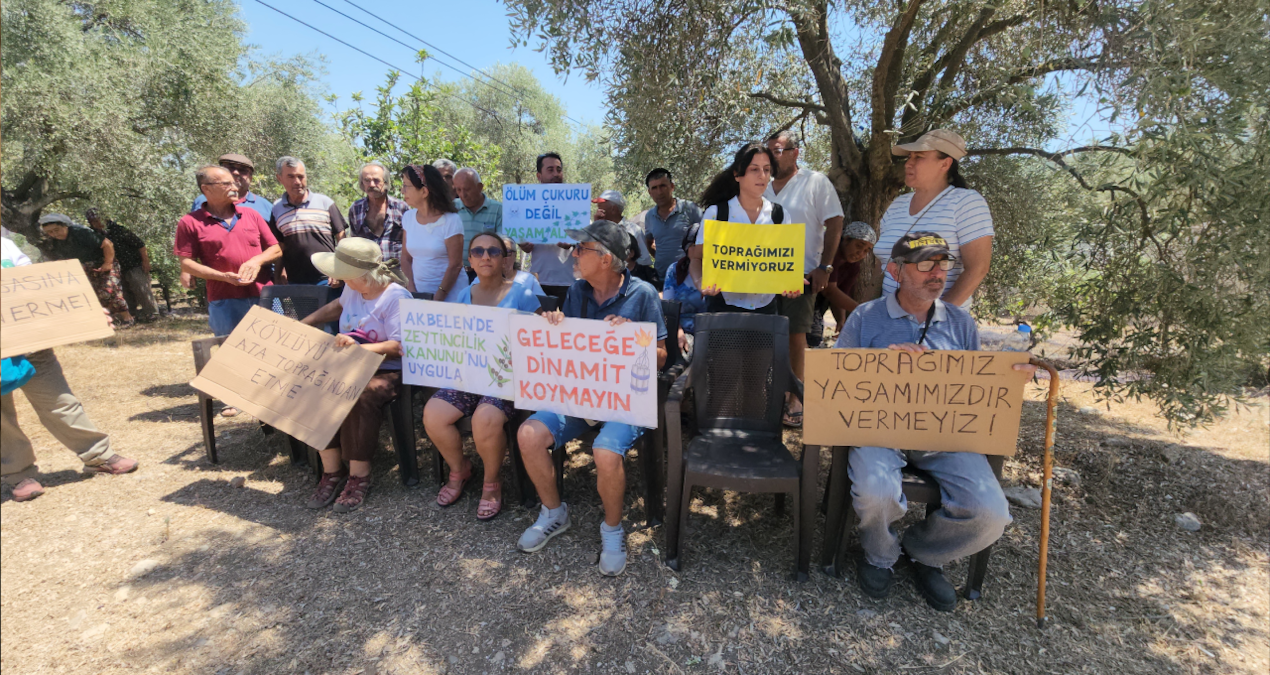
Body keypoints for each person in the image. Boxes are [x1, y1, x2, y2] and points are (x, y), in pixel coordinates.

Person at [835, 231, 1033, 611]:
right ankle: (880, 555)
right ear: (895, 270)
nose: (937, 273)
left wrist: (1008, 378)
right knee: (875, 492)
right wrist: (882, 369)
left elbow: (976, 386)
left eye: (944, 264)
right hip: (879, 430)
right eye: (925, 263)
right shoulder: (865, 317)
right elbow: (839, 383)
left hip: (944, 435)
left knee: (992, 514)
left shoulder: (961, 322)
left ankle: (924, 552)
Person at [515, 220, 667, 576]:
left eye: (581, 249)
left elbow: (661, 355)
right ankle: (554, 513)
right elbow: (570, 349)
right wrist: (554, 325)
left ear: (605, 258)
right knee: (528, 434)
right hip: (581, 396)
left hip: (625, 400)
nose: (573, 255)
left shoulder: (643, 294)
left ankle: (612, 530)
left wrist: (635, 338)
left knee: (604, 450)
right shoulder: (577, 292)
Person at [2, 234, 138, 502]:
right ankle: (17, 474)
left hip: (31, 342)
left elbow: (39, 289)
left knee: (60, 400)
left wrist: (83, 313)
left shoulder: (4, 244)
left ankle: (98, 456)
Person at [423, 233, 541, 520]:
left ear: (504, 259)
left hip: (506, 379)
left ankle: (491, 483)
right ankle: (459, 469)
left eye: (493, 251)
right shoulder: (466, 295)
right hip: (470, 376)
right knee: (433, 414)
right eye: (478, 251)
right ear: (470, 260)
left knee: (484, 418)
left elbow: (538, 340)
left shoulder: (522, 294)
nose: (485, 256)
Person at [300, 238, 413, 512]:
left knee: (360, 394)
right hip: (347, 363)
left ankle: (358, 475)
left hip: (387, 369)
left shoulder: (396, 297)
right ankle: (332, 470)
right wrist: (307, 322)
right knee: (312, 385)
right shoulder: (353, 289)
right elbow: (338, 306)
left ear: (362, 275)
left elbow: (400, 346)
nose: (339, 278)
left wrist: (360, 347)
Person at [764, 130, 845, 427]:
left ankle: (796, 398)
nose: (774, 155)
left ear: (796, 152)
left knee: (796, 337)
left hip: (800, 275)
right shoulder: (761, 185)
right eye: (770, 150)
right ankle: (771, 397)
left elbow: (835, 221)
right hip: (760, 276)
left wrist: (825, 266)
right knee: (764, 335)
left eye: (779, 150)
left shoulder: (815, 182)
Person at [876, 129, 993, 307]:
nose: (908, 163)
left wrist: (935, 319)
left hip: (937, 329)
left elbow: (978, 269)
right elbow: (883, 266)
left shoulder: (966, 202)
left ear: (945, 164)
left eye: (919, 157)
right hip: (890, 319)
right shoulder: (897, 205)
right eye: (909, 157)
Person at [175, 165, 282, 337]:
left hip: (264, 295)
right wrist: (223, 277)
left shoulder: (251, 215)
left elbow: (275, 249)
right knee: (231, 356)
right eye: (227, 184)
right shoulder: (190, 222)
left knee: (276, 351)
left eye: (235, 183)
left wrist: (257, 261)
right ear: (206, 189)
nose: (235, 187)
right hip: (224, 301)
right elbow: (186, 264)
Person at [696, 143, 803, 314]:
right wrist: (700, 282)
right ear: (737, 175)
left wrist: (791, 281)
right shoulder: (717, 213)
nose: (762, 176)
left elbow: (781, 264)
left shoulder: (780, 215)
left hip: (766, 310)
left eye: (767, 170)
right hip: (722, 309)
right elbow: (696, 258)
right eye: (754, 169)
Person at [188, 153, 275, 290]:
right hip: (218, 287)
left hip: (262, 282)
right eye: (230, 168)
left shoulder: (265, 207)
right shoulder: (201, 203)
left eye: (243, 170)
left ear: (250, 178)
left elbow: (277, 245)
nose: (235, 172)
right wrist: (187, 270)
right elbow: (190, 242)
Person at [38, 214, 134, 327]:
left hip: (103, 262)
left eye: (56, 230)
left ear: (65, 226)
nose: (54, 234)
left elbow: (107, 244)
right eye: (50, 232)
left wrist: (108, 263)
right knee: (91, 294)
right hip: (82, 268)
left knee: (109, 290)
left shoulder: (81, 232)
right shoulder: (53, 242)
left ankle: (127, 318)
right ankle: (105, 321)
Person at [269, 156, 347, 286]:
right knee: (293, 307)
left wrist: (340, 272)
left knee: (331, 307)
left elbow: (342, 239)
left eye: (301, 176)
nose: (297, 182)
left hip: (327, 279)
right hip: (294, 282)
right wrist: (278, 275)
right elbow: (279, 246)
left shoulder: (324, 203)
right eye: (291, 177)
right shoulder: (276, 209)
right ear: (279, 178)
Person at [400, 164, 468, 302]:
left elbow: (455, 265)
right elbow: (405, 258)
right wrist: (412, 291)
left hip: (450, 298)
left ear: (424, 192)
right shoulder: (408, 218)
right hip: (418, 297)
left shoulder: (451, 221)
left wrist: (438, 298)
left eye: (406, 186)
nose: (402, 191)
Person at [519, 152, 576, 301]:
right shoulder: (528, 206)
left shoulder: (575, 204)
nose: (556, 174)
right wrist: (523, 244)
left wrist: (573, 243)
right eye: (550, 170)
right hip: (539, 281)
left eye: (559, 169)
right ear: (539, 176)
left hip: (570, 282)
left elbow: (585, 242)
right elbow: (523, 242)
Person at [85, 208, 158, 322]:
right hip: (115, 269)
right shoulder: (94, 235)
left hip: (133, 264)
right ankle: (131, 316)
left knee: (141, 288)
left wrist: (145, 262)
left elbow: (140, 245)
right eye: (94, 221)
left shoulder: (118, 230)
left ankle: (151, 313)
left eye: (99, 220)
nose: (98, 223)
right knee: (123, 293)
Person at [661, 221, 709, 363]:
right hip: (682, 329)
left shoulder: (721, 270)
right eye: (695, 245)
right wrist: (677, 331)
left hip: (713, 331)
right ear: (687, 248)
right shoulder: (675, 270)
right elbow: (668, 308)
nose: (701, 249)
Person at [643, 168, 703, 281]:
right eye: (654, 188)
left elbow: (707, 238)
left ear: (672, 187)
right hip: (662, 277)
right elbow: (649, 242)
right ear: (650, 192)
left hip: (690, 278)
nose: (659, 192)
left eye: (663, 186)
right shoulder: (650, 216)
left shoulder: (689, 209)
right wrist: (661, 258)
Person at [821, 221, 877, 338]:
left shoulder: (854, 265)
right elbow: (830, 291)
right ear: (846, 240)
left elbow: (841, 293)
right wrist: (863, 310)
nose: (860, 253)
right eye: (859, 246)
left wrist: (841, 321)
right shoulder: (832, 255)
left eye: (866, 250)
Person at [347, 161, 409, 262]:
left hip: (398, 273)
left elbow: (411, 244)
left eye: (376, 180)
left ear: (385, 182)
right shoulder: (356, 209)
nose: (371, 184)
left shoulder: (401, 207)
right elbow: (354, 244)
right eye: (367, 180)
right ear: (362, 183)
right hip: (367, 274)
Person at [453, 167, 502, 276]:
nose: (462, 195)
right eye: (458, 190)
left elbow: (502, 244)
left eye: (467, 189)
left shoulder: (498, 209)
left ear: (480, 187)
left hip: (487, 273)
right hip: (457, 274)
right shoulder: (452, 208)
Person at [593, 189, 654, 270]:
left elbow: (645, 260)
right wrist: (596, 225)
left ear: (613, 209)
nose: (598, 212)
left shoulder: (634, 230)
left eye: (601, 209)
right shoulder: (599, 230)